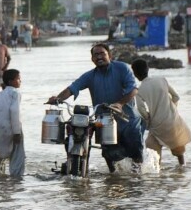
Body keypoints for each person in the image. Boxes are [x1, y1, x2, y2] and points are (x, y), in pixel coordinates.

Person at [47, 43, 145, 173]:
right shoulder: (90, 76)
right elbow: (73, 88)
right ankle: (113, 178)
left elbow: (133, 89)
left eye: (102, 54)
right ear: (92, 59)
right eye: (96, 55)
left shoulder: (122, 68)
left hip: (128, 121)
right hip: (104, 121)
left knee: (136, 156)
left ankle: (138, 182)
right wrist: (58, 99)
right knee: (108, 154)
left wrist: (120, 104)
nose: (99, 57)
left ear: (109, 55)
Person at [131, 59, 191, 166]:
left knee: (154, 153)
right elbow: (176, 97)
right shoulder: (162, 80)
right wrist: (171, 108)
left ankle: (158, 177)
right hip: (172, 121)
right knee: (179, 151)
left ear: (135, 74)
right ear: (148, 69)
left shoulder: (139, 91)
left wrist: (148, 119)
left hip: (157, 124)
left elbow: (142, 110)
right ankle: (182, 171)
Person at [0, 69, 25, 177]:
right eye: (18, 79)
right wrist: (16, 132)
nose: (20, 81)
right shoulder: (15, 93)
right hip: (11, 127)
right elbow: (15, 112)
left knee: (1, 154)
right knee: (16, 155)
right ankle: (15, 179)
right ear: (11, 81)